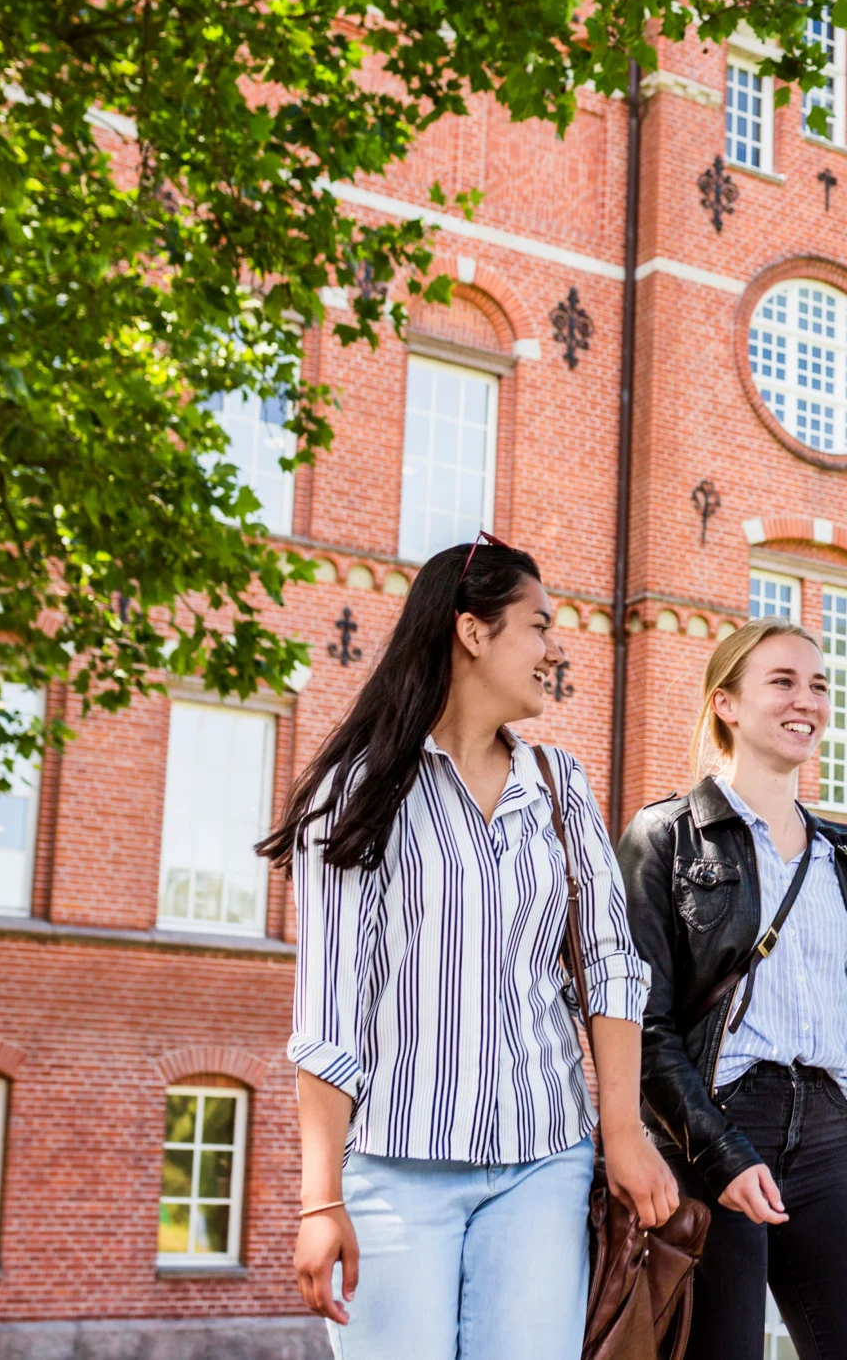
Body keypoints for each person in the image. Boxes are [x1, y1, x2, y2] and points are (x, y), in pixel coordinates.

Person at [262, 533, 676, 1357]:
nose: (554, 649)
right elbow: (330, 1011)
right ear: (473, 631)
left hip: (544, 1160)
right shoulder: (358, 794)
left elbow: (609, 965)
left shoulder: (560, 785)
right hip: (395, 1168)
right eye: (539, 625)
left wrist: (624, 1130)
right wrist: (320, 1199)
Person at [620, 619, 847, 1360]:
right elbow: (642, 1025)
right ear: (726, 703)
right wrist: (723, 1155)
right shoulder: (665, 836)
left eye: (820, 684)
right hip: (709, 1133)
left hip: (827, 1141)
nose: (808, 700)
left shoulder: (841, 858)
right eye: (783, 681)